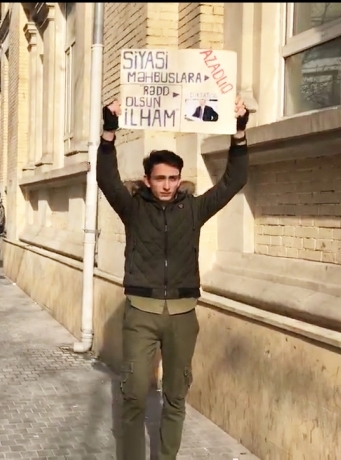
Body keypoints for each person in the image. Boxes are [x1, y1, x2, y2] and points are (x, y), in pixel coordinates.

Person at [97, 97, 249, 460]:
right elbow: (106, 179)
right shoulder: (134, 209)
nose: (167, 185)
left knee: (176, 396)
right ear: (148, 180)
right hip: (140, 313)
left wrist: (239, 132)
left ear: (180, 179)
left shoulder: (193, 210)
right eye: (160, 178)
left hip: (183, 316)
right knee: (133, 395)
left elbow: (233, 181)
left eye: (173, 178)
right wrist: (108, 132)